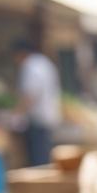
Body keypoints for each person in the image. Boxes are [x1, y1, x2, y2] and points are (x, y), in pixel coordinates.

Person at [12, 38, 61, 166]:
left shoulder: (31, 66)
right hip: (49, 117)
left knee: (39, 160)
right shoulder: (44, 63)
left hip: (38, 120)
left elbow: (31, 95)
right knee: (45, 156)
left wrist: (17, 115)